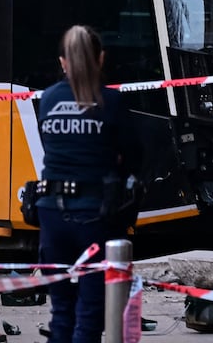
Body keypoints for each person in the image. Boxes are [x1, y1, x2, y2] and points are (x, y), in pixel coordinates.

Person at [35, 24, 142, 343]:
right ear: (101, 58)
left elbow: (51, 146)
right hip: (95, 215)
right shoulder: (111, 100)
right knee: (90, 311)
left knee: (62, 310)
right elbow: (134, 155)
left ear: (63, 62)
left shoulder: (48, 99)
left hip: (51, 214)